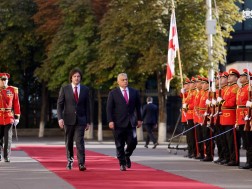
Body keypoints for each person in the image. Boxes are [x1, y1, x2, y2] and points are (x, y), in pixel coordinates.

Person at [106, 73, 142, 171]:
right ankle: (122, 163)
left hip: (131, 122)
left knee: (133, 142)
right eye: (123, 80)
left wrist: (139, 119)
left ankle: (127, 155)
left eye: (126, 79)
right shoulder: (113, 93)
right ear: (118, 82)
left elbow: (138, 107)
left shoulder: (134, 92)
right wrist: (110, 121)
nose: (125, 81)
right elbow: (109, 109)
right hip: (118, 123)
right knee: (119, 144)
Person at [57, 68, 90, 171]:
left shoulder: (85, 89)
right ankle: (70, 161)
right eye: (75, 76)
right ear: (71, 78)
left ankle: (81, 163)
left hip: (81, 120)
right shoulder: (65, 88)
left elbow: (87, 106)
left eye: (78, 76)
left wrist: (88, 121)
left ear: (80, 78)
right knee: (69, 141)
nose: (76, 78)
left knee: (80, 141)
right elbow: (60, 104)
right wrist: (60, 118)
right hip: (68, 120)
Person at [218, 68, 240, 166]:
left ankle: (234, 159)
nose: (229, 77)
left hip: (230, 117)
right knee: (225, 140)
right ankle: (228, 158)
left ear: (236, 78)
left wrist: (221, 102)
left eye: (231, 76)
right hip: (224, 117)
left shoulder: (236, 88)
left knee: (232, 141)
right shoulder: (227, 89)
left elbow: (231, 103)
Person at [0, 73, 20, 162]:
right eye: (2, 79)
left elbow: (16, 103)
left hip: (8, 116)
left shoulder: (13, 90)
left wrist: (17, 116)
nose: (4, 81)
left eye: (6, 80)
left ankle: (6, 156)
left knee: (8, 137)